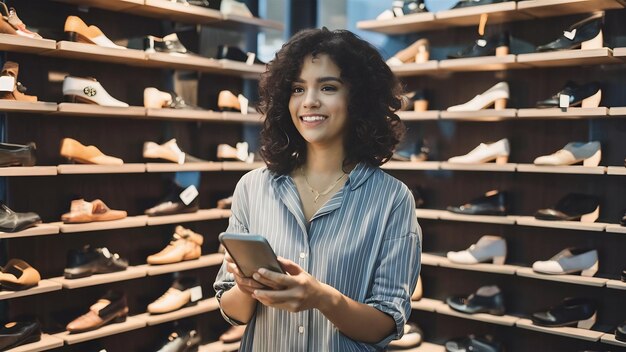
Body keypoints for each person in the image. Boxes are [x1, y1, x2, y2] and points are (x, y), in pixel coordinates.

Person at [214, 27, 421, 351]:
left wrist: (322, 298)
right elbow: (233, 312)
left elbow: (387, 324)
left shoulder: (392, 200)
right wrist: (246, 287)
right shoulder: (252, 188)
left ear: (359, 98)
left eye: (327, 87)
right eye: (297, 89)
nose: (309, 101)